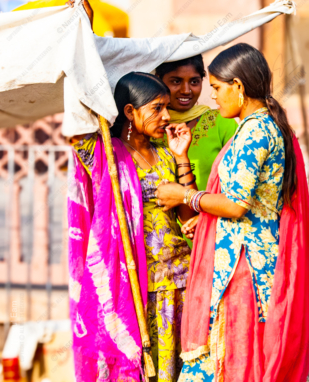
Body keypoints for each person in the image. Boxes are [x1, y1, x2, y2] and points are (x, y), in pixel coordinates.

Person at [156, 43, 309, 381]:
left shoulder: (254, 132)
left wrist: (186, 196)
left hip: (243, 267)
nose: (214, 98)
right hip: (253, 258)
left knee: (234, 360)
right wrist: (205, 213)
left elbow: (236, 206)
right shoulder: (266, 123)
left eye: (217, 88)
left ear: (238, 88)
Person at [69, 72, 196, 382]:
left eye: (167, 107)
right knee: (141, 367)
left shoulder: (166, 154)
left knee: (178, 368)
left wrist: (181, 156)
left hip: (179, 280)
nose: (166, 116)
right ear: (129, 111)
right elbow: (76, 131)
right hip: (138, 284)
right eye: (156, 108)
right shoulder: (107, 157)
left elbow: (184, 214)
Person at [155, 55, 238, 192]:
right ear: (158, 79)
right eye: (176, 81)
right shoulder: (149, 127)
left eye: (194, 82)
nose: (186, 90)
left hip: (212, 211)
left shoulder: (221, 122)